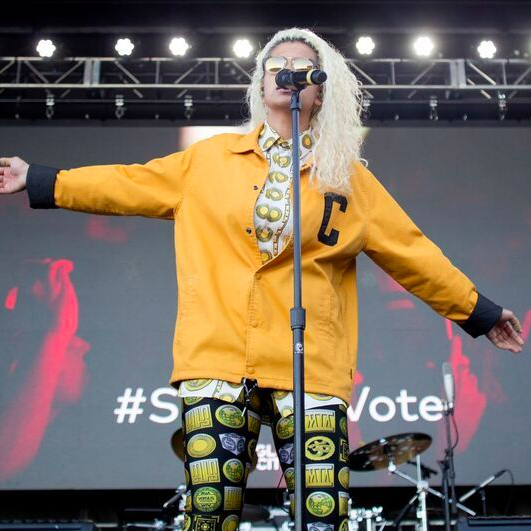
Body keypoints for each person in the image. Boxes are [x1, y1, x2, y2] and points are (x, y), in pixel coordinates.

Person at [0, 27, 525, 531]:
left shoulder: (347, 179)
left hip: (311, 362)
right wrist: (40, 179)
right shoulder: (209, 160)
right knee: (210, 511)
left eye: (302, 66)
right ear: (261, 81)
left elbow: (412, 252)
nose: (288, 71)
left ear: (320, 89)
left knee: (323, 517)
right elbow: (126, 184)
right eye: (277, 64)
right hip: (219, 356)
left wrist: (479, 312)